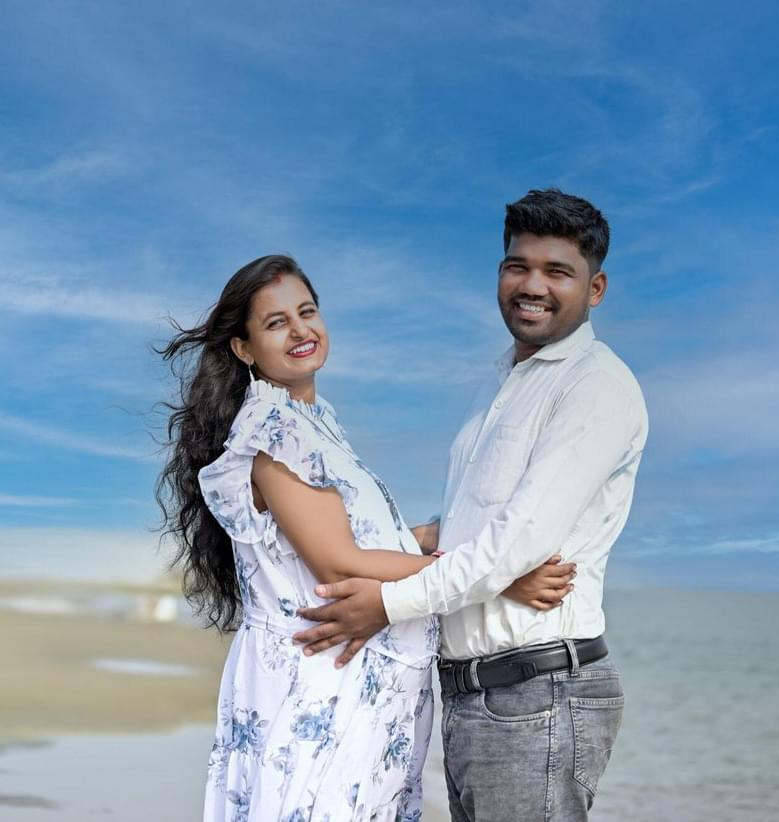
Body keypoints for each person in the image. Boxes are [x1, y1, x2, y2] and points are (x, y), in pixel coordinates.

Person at [155, 254, 575, 821]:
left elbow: (385, 540)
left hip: (357, 682)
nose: (301, 329)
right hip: (323, 684)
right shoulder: (273, 429)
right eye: (276, 322)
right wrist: (498, 578)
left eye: (307, 311)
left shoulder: (312, 422)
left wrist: (479, 532)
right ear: (244, 348)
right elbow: (338, 561)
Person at [293, 189, 649, 821]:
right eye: (518, 266)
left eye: (556, 271)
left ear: (594, 289)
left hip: (536, 694)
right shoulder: (503, 382)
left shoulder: (596, 387)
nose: (531, 285)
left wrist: (385, 604)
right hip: (477, 696)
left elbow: (514, 546)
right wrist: (391, 540)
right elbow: (468, 529)